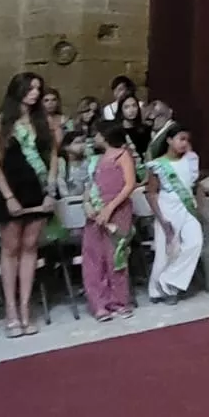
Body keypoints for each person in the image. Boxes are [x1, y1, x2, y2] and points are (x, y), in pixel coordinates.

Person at [0, 73, 58, 338]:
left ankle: (26, 310)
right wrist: (8, 196)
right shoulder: (0, 123)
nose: (35, 93)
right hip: (9, 190)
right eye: (30, 88)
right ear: (17, 90)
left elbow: (52, 158)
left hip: (37, 191)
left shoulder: (44, 121)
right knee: (10, 249)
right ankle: (11, 312)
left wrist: (51, 191)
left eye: (39, 87)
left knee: (30, 249)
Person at [82, 124, 138, 321]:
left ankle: (119, 301)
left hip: (118, 209)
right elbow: (88, 185)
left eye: (96, 133)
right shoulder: (94, 160)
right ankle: (99, 303)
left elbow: (130, 184)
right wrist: (87, 204)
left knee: (116, 254)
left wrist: (110, 208)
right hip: (96, 211)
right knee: (94, 257)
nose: (93, 137)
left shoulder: (122, 155)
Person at [146, 126, 203, 303]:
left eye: (187, 140)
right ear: (169, 140)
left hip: (187, 209)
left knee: (195, 242)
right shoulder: (158, 165)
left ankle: (169, 281)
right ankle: (158, 290)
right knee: (167, 251)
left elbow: (196, 184)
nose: (184, 143)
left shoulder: (191, 160)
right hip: (167, 208)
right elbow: (151, 193)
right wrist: (161, 219)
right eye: (181, 139)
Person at [115, 95, 150, 165]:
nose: (131, 110)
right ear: (121, 110)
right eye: (126, 107)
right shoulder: (116, 130)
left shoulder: (145, 129)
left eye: (134, 106)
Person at [56, 133, 90, 199]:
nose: (82, 145)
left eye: (83, 142)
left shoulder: (88, 162)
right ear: (66, 147)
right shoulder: (62, 165)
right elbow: (62, 190)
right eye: (77, 143)